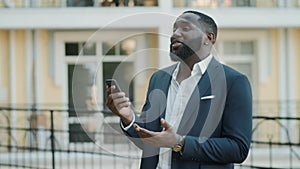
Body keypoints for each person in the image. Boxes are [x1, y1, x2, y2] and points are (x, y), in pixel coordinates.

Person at [106, 10, 252, 169]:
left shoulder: (234, 81)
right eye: (174, 29)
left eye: (185, 29)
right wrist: (129, 118)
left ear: (208, 38)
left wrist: (180, 143)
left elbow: (238, 148)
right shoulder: (159, 78)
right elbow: (150, 139)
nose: (175, 34)